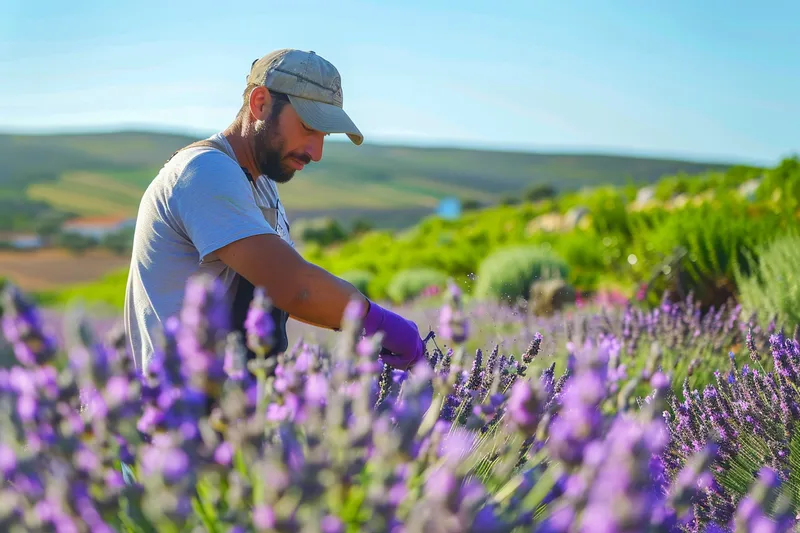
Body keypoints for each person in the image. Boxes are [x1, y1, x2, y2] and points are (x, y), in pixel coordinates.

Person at [123, 48, 425, 378]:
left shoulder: (259, 184)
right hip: (182, 409)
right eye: (310, 127)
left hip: (233, 406)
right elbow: (293, 286)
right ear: (260, 103)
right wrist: (379, 323)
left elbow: (283, 293)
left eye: (324, 135)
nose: (317, 152)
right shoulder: (204, 171)